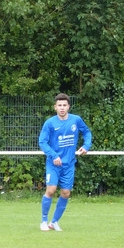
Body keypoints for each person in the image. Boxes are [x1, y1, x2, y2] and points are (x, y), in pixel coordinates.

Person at [38, 93, 92, 232]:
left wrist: (86, 146)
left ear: (68, 107)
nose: (62, 108)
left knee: (66, 193)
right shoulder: (50, 123)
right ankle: (44, 221)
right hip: (53, 164)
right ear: (55, 107)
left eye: (64, 105)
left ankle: (54, 222)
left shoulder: (76, 120)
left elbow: (87, 132)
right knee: (51, 190)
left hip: (69, 164)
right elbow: (42, 142)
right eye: (59, 105)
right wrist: (53, 156)